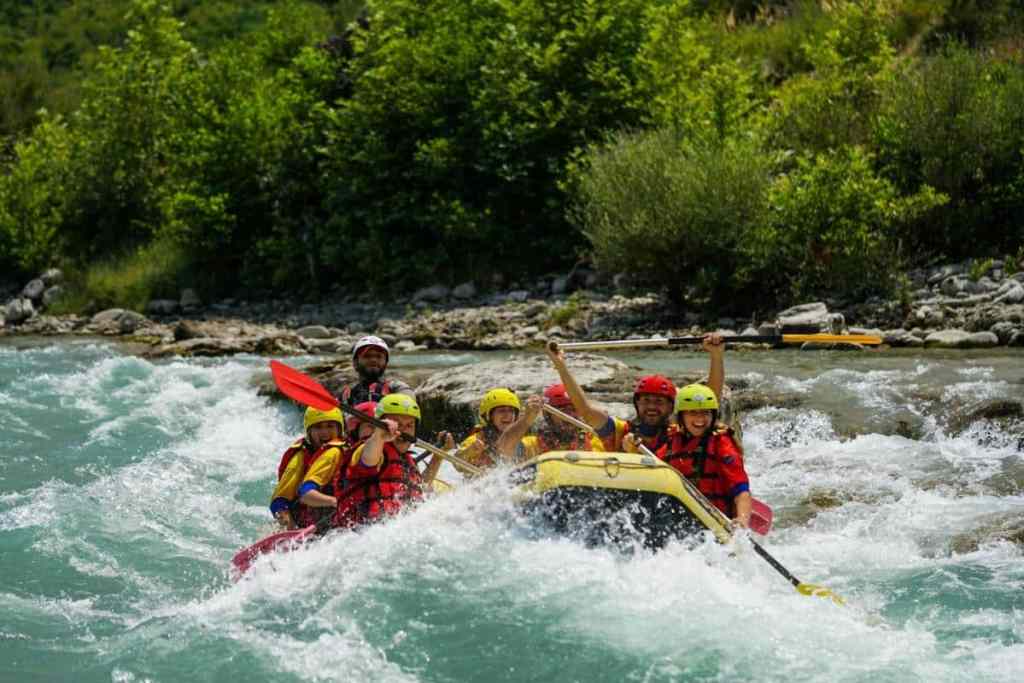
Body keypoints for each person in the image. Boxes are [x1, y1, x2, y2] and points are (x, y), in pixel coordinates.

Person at [545, 334, 725, 455]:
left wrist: (716, 356)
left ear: (671, 406)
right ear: (637, 404)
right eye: (646, 401)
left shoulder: (680, 431)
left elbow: (709, 400)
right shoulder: (618, 430)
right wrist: (560, 365)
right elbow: (585, 410)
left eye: (659, 401)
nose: (652, 407)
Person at [334, 394, 439, 528]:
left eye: (409, 425)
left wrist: (438, 457)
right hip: (362, 533)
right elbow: (369, 460)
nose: (403, 430)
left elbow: (420, 489)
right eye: (397, 424)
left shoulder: (407, 460)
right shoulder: (370, 448)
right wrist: (379, 435)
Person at [662, 383, 751, 528]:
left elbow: (741, 490)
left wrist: (742, 519)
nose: (700, 419)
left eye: (705, 413)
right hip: (679, 520)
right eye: (693, 413)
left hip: (715, 520)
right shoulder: (672, 440)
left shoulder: (722, 443)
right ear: (681, 417)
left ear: (713, 415)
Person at [269, 407, 348, 530]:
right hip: (303, 518)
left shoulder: (347, 449)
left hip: (335, 517)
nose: (325, 432)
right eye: (318, 427)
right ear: (309, 432)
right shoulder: (300, 457)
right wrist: (288, 524)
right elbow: (279, 502)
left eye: (330, 426)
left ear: (339, 429)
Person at [500, 384, 606, 457]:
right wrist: (526, 419)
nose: (571, 415)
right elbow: (504, 447)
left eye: (574, 409)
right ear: (548, 415)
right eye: (563, 410)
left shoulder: (592, 440)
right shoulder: (534, 445)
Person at [340, 336, 414, 406]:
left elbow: (409, 404)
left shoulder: (397, 388)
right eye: (367, 356)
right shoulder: (347, 394)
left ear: (386, 362)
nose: (373, 360)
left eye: (379, 356)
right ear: (355, 362)